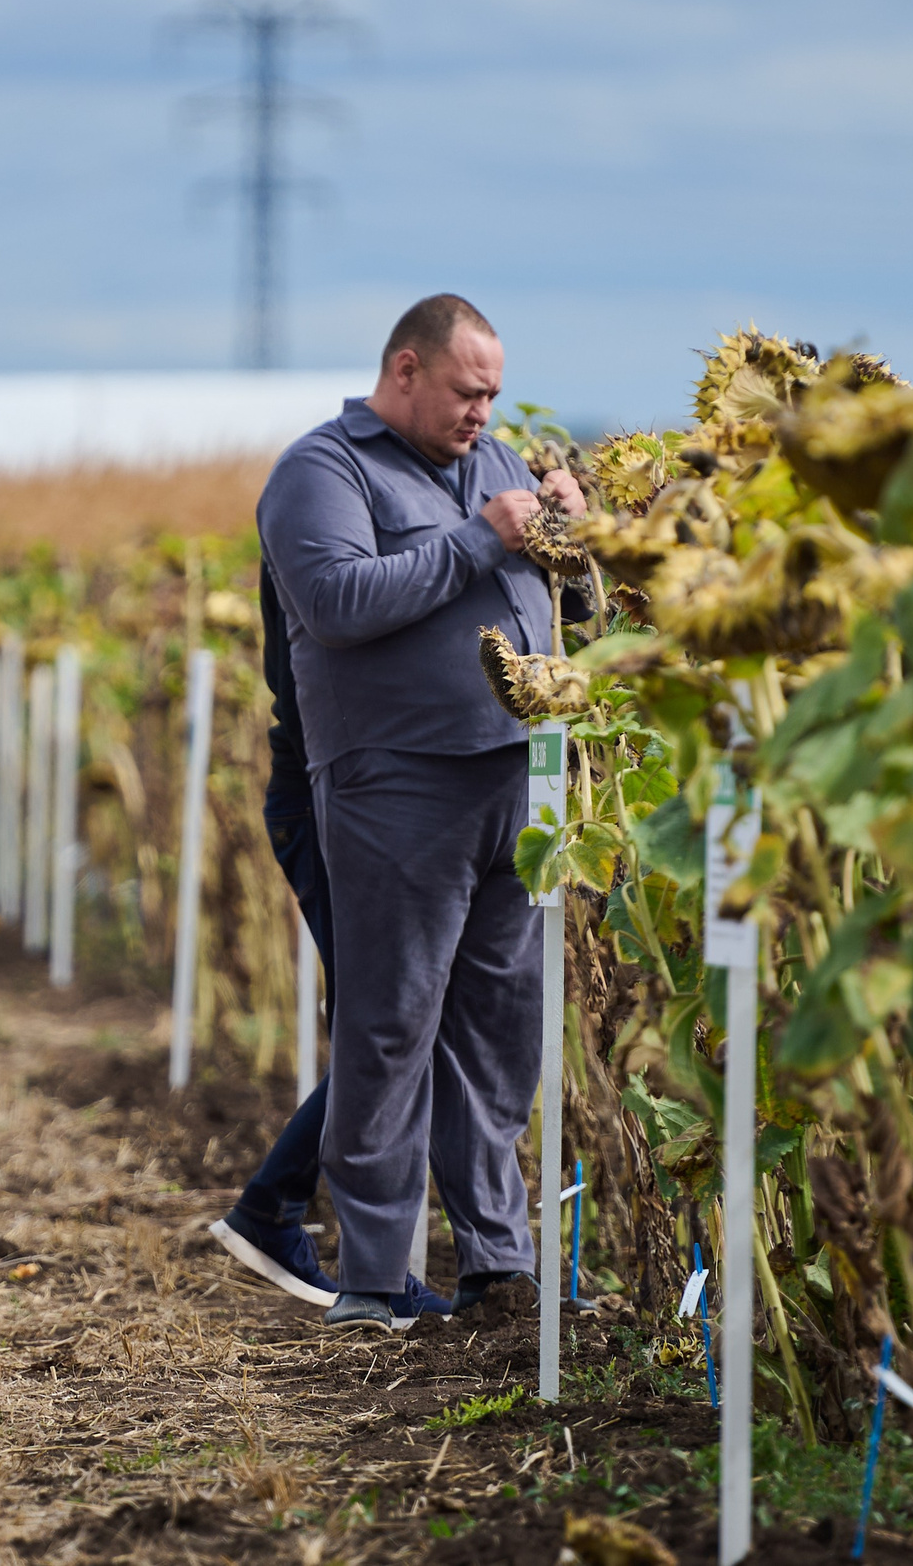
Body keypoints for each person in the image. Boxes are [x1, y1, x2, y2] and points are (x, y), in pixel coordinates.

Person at [255, 294, 585, 1332]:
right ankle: (376, 1276)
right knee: (391, 1026)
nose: (484, 413)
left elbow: (569, 609)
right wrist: (483, 542)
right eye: (466, 391)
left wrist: (575, 543)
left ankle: (495, 1261)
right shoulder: (323, 471)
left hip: (515, 780)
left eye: (492, 394)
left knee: (498, 1030)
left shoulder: (497, 465)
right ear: (405, 370)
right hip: (396, 784)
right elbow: (339, 604)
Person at [205, 572, 452, 1320]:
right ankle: (289, 1219)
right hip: (343, 795)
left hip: (374, 793)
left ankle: (275, 1208)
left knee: (395, 1024)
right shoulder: (328, 505)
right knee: (391, 1026)